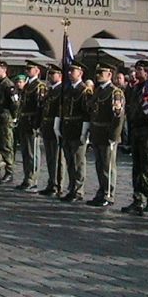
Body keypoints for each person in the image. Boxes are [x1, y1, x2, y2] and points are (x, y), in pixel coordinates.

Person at [121, 60, 148, 216]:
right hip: (136, 130)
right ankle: (138, 199)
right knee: (137, 167)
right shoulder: (135, 88)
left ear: (147, 72)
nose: (135, 73)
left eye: (139, 70)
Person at [86, 63, 125, 207]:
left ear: (109, 75)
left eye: (101, 73)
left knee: (108, 166)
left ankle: (109, 194)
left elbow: (118, 116)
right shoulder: (98, 91)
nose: (98, 75)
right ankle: (102, 190)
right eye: (97, 73)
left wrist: (114, 136)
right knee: (99, 165)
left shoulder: (115, 92)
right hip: (97, 133)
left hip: (107, 133)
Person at [58, 61, 91, 202]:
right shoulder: (67, 89)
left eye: (73, 71)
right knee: (70, 161)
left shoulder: (85, 90)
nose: (70, 73)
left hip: (78, 129)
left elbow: (87, 113)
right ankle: (71, 187)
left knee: (78, 162)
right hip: (67, 129)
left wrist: (85, 133)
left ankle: (78, 190)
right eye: (69, 71)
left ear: (81, 73)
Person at [15, 62, 47, 192]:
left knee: (33, 153)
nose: (27, 70)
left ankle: (33, 179)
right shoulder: (28, 85)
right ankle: (27, 177)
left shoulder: (39, 86)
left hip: (32, 122)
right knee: (25, 152)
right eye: (26, 68)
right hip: (24, 121)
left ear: (37, 70)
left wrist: (37, 124)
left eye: (30, 68)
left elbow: (40, 106)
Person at [38, 64, 63, 197]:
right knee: (49, 157)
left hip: (55, 127)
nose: (50, 77)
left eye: (53, 74)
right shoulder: (50, 90)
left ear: (59, 75)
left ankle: (57, 184)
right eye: (49, 74)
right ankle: (51, 182)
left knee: (57, 158)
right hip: (47, 127)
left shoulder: (61, 90)